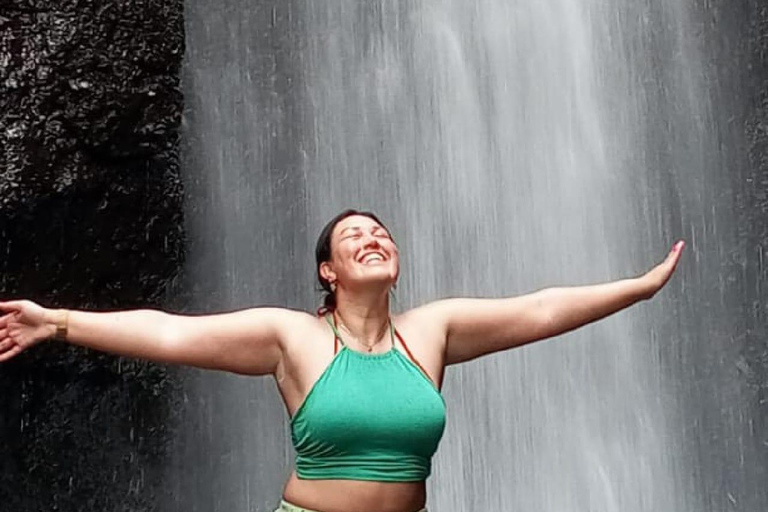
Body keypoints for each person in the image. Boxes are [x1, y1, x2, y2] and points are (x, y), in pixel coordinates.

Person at [0, 209, 684, 512]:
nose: (373, 235)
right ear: (328, 270)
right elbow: (173, 335)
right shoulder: (293, 337)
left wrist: (640, 287)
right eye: (353, 234)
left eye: (381, 230)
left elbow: (539, 310)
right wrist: (58, 322)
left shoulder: (433, 330)